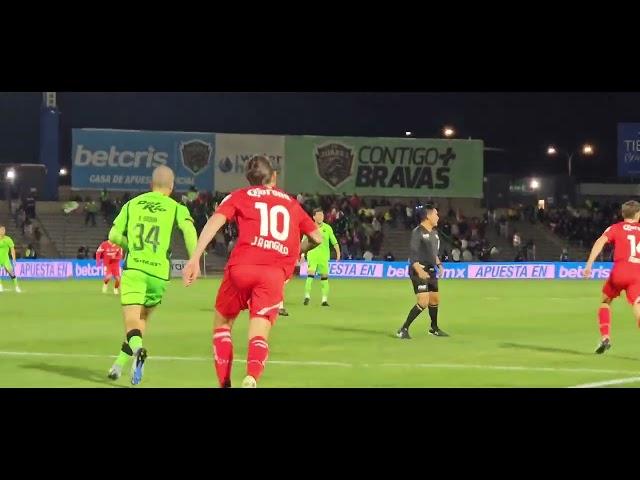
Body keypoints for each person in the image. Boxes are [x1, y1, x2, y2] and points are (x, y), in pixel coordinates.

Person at [182, 156, 322, 388]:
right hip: (273, 274)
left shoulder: (240, 195)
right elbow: (317, 237)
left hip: (242, 267)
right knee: (259, 331)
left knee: (222, 325)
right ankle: (251, 377)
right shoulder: (291, 203)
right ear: (274, 177)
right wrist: (299, 251)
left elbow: (215, 222)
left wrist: (195, 257)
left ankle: (224, 382)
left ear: (249, 180)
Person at [106, 165, 198, 385]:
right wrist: (193, 260)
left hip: (136, 268)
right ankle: (118, 365)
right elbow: (188, 230)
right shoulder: (176, 207)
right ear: (172, 186)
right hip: (158, 273)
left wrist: (131, 246)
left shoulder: (132, 204)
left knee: (131, 321)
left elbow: (113, 235)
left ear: (150, 184)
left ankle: (137, 351)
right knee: (143, 319)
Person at [583, 200, 640, 354]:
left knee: (605, 301)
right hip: (637, 273)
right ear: (638, 214)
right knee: (637, 305)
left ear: (623, 214)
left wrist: (589, 264)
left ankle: (605, 337)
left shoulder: (616, 228)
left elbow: (600, 241)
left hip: (619, 271)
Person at [396, 204, 447, 339]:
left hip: (431, 270)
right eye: (436, 214)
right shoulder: (417, 232)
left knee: (435, 299)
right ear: (428, 216)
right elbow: (413, 255)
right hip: (419, 270)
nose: (438, 217)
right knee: (423, 301)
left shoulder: (435, 234)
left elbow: (432, 253)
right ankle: (403, 329)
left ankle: (433, 328)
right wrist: (419, 271)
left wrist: (439, 265)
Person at [303, 208, 341, 307]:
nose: (321, 217)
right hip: (313, 254)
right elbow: (304, 242)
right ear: (314, 217)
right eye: (318, 215)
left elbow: (334, 241)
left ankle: (324, 300)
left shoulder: (328, 228)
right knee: (311, 273)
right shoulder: (309, 227)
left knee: (324, 277)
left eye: (322, 215)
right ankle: (307, 296)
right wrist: (302, 254)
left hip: (324, 256)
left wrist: (338, 253)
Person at [0, 225, 21, 293]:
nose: (3, 231)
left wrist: (14, 259)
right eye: (1, 230)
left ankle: (16, 287)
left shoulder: (8, 239)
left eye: (4, 230)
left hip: (5, 259)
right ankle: (0, 286)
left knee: (11, 273)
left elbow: (12, 250)